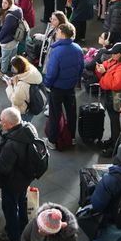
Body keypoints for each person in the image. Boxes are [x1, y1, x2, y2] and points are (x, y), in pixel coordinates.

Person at [0, 107, 39, 241]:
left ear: (8, 124)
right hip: (25, 177)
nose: (0, 123)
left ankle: (13, 236)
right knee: (22, 202)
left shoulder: (11, 144)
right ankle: (24, 227)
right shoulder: (28, 129)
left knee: (10, 207)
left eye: (2, 121)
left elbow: (3, 168)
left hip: (12, 182)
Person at [43, 22, 82, 150]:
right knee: (71, 113)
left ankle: (52, 141)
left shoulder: (57, 51)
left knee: (55, 114)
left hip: (57, 88)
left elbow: (52, 71)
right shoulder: (78, 48)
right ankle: (72, 137)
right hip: (70, 87)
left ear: (63, 34)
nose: (56, 33)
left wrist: (47, 83)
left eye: (58, 31)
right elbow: (81, 68)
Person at [94, 42, 121, 153]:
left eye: (114, 54)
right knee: (112, 120)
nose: (112, 55)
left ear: (119, 54)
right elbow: (105, 65)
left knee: (115, 122)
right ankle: (113, 140)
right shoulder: (115, 61)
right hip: (109, 95)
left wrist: (104, 72)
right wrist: (101, 68)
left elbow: (116, 85)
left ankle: (115, 146)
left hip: (114, 98)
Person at [16, 202, 83, 241]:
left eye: (43, 230)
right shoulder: (36, 222)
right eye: (39, 226)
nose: (39, 231)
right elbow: (25, 240)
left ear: (53, 231)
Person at [5, 56, 43, 121]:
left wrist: (9, 86)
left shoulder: (22, 86)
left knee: (22, 125)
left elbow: (16, 101)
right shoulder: (32, 70)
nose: (12, 69)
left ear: (18, 68)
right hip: (33, 103)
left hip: (24, 111)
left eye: (13, 67)